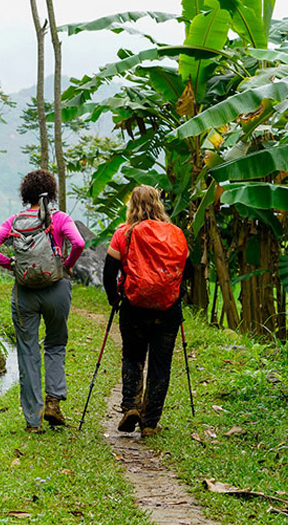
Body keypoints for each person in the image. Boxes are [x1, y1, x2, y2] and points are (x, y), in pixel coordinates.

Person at [0, 170, 85, 433]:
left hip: (25, 292)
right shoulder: (60, 218)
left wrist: (11, 265)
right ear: (51, 193)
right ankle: (53, 402)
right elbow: (78, 243)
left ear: (25, 194)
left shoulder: (14, 221)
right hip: (57, 288)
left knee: (27, 351)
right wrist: (66, 265)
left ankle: (33, 420)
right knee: (55, 344)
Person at [103, 185, 190, 438]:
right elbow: (187, 270)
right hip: (168, 310)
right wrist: (174, 292)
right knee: (161, 365)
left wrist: (114, 298)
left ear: (132, 205)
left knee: (133, 357)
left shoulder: (124, 233)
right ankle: (150, 423)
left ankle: (131, 406)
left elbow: (109, 272)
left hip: (134, 308)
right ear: (158, 204)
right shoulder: (176, 234)